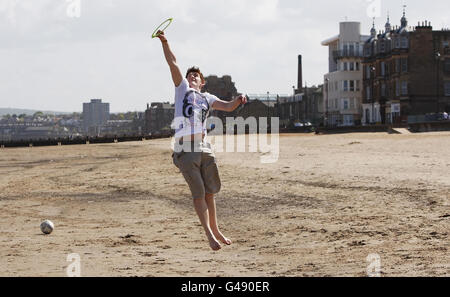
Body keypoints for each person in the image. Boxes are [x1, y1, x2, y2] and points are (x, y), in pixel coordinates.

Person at [156, 31, 247, 251]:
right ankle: (209, 234)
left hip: (204, 148)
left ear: (202, 82)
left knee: (210, 192)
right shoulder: (182, 90)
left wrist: (239, 100)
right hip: (185, 150)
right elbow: (173, 63)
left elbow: (228, 106)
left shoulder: (208, 98)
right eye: (190, 75)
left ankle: (216, 229)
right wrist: (165, 42)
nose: (192, 77)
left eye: (196, 76)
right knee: (198, 194)